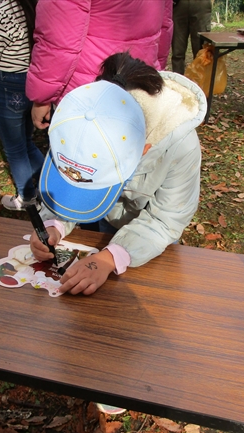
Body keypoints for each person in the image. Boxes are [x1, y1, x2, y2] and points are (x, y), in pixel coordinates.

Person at [29, 52, 207, 296]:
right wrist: (54, 223)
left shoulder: (180, 144)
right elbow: (74, 182)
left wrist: (109, 259)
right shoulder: (84, 117)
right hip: (106, 222)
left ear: (144, 151)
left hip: (152, 239)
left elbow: (166, 220)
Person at [26, 0, 174, 129]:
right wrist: (156, 73)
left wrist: (42, 97)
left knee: (80, 155)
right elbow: (164, 25)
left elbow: (57, 39)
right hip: (139, 80)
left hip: (87, 93)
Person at [0, 0, 44, 210]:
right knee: (27, 142)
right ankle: (48, 188)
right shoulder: (35, 7)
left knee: (15, 148)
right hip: (31, 80)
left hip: (8, 84)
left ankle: (27, 198)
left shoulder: (0, 14)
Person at [170, 0, 213, 75]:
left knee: (201, 52)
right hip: (178, 4)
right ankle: (178, 82)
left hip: (201, 5)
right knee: (177, 51)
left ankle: (200, 83)